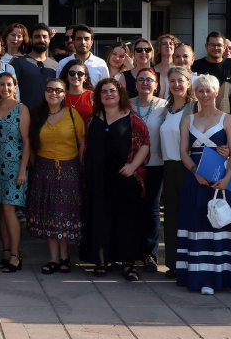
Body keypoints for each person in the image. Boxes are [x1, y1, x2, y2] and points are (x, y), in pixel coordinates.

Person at [82, 78, 152, 280]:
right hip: (98, 180)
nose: (108, 94)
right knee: (100, 219)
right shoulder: (91, 119)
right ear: (98, 96)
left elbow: (145, 143)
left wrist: (133, 166)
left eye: (112, 90)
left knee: (126, 221)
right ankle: (101, 262)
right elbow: (85, 146)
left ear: (120, 94)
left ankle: (128, 264)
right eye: (104, 91)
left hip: (125, 178)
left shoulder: (132, 117)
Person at [176, 74, 231, 294]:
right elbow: (183, 152)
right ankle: (196, 278)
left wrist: (227, 178)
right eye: (200, 91)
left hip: (220, 180)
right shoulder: (188, 120)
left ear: (216, 93)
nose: (204, 95)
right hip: (194, 180)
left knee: (218, 224)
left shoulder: (227, 119)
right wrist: (195, 172)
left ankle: (217, 279)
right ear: (195, 93)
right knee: (197, 224)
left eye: (208, 91)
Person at [29, 78, 85, 274]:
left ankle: (65, 257)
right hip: (43, 171)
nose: (53, 93)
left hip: (69, 171)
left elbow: (82, 143)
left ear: (64, 94)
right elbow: (32, 145)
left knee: (64, 214)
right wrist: (37, 169)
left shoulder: (72, 114)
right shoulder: (37, 115)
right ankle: (53, 259)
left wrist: (78, 168)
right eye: (49, 89)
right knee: (49, 215)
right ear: (45, 92)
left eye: (58, 90)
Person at [0, 73, 30, 273]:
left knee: (9, 209)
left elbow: (27, 141)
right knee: (1, 210)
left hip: (15, 167)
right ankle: (6, 252)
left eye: (9, 84)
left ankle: (16, 255)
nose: (5, 88)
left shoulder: (21, 109)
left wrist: (23, 169)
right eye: (1, 84)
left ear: (15, 87)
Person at [132, 67, 169, 269]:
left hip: (156, 164)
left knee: (152, 210)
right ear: (135, 84)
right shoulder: (126, 105)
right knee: (133, 208)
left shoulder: (165, 106)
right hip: (132, 166)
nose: (145, 83)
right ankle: (132, 252)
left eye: (149, 80)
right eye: (141, 79)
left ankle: (150, 255)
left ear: (156, 85)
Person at [159, 67, 194, 278]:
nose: (176, 85)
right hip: (169, 167)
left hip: (188, 167)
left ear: (189, 83)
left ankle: (190, 263)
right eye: (172, 81)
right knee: (171, 217)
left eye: (180, 80)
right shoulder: (166, 108)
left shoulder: (195, 107)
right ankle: (173, 264)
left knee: (188, 216)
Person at [11, 24, 58, 108]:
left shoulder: (56, 65)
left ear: (49, 40)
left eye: (44, 37)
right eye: (37, 37)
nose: (41, 40)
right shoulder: (19, 62)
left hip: (51, 113)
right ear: (31, 40)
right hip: (25, 113)